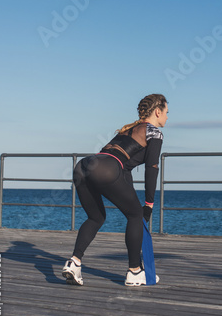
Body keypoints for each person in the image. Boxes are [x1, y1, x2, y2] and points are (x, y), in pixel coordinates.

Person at [62, 94, 168, 287]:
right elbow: (152, 167)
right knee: (136, 215)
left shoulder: (127, 130)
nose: (167, 117)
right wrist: (149, 204)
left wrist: (134, 200)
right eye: (167, 113)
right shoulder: (154, 132)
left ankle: (74, 262)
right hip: (107, 168)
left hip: (84, 165)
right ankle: (134, 271)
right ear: (158, 111)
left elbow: (123, 168)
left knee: (96, 217)